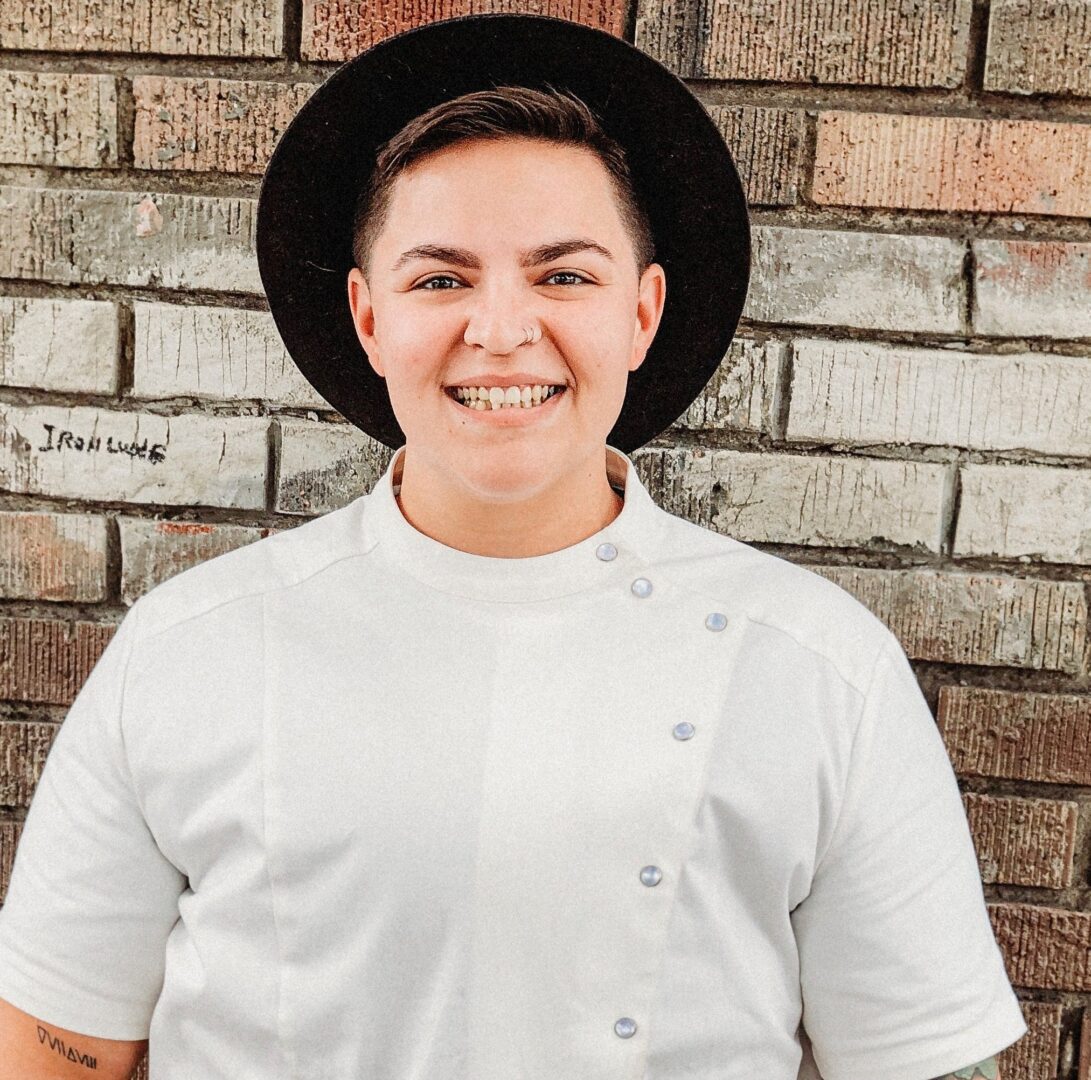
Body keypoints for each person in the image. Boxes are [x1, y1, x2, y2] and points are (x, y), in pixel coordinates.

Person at [0, 13, 1027, 1080]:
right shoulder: (184, 650)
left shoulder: (819, 669)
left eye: (563, 277)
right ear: (367, 318)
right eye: (439, 278)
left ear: (641, 312)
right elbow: (54, 1052)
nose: (498, 329)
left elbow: (922, 1058)